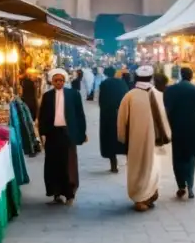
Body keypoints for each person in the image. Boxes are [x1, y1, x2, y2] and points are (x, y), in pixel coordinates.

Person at [117, 65, 168, 211]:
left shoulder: (130, 95)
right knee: (153, 167)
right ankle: (147, 195)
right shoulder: (157, 94)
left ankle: (142, 197)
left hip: (135, 141)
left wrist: (122, 138)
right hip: (155, 141)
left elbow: (121, 119)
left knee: (138, 168)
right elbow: (164, 118)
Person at [38, 68, 87, 205]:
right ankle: (56, 192)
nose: (58, 82)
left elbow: (79, 115)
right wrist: (42, 133)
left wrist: (82, 133)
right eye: (56, 80)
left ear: (64, 81)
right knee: (53, 163)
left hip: (68, 133)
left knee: (69, 163)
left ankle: (70, 193)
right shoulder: (47, 96)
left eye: (61, 80)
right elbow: (42, 116)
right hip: (52, 133)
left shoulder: (73, 94)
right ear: (52, 81)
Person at [163, 66, 195, 199]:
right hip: (192, 126)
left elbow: (166, 110)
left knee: (177, 157)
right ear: (191, 76)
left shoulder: (170, 90)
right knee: (191, 157)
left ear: (180, 75)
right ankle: (190, 185)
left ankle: (181, 185)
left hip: (176, 126)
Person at [99, 65, 129, 172]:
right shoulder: (121, 83)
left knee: (109, 139)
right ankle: (129, 162)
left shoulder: (104, 84)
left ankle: (114, 165)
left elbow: (101, 101)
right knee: (125, 139)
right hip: (122, 113)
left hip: (108, 115)